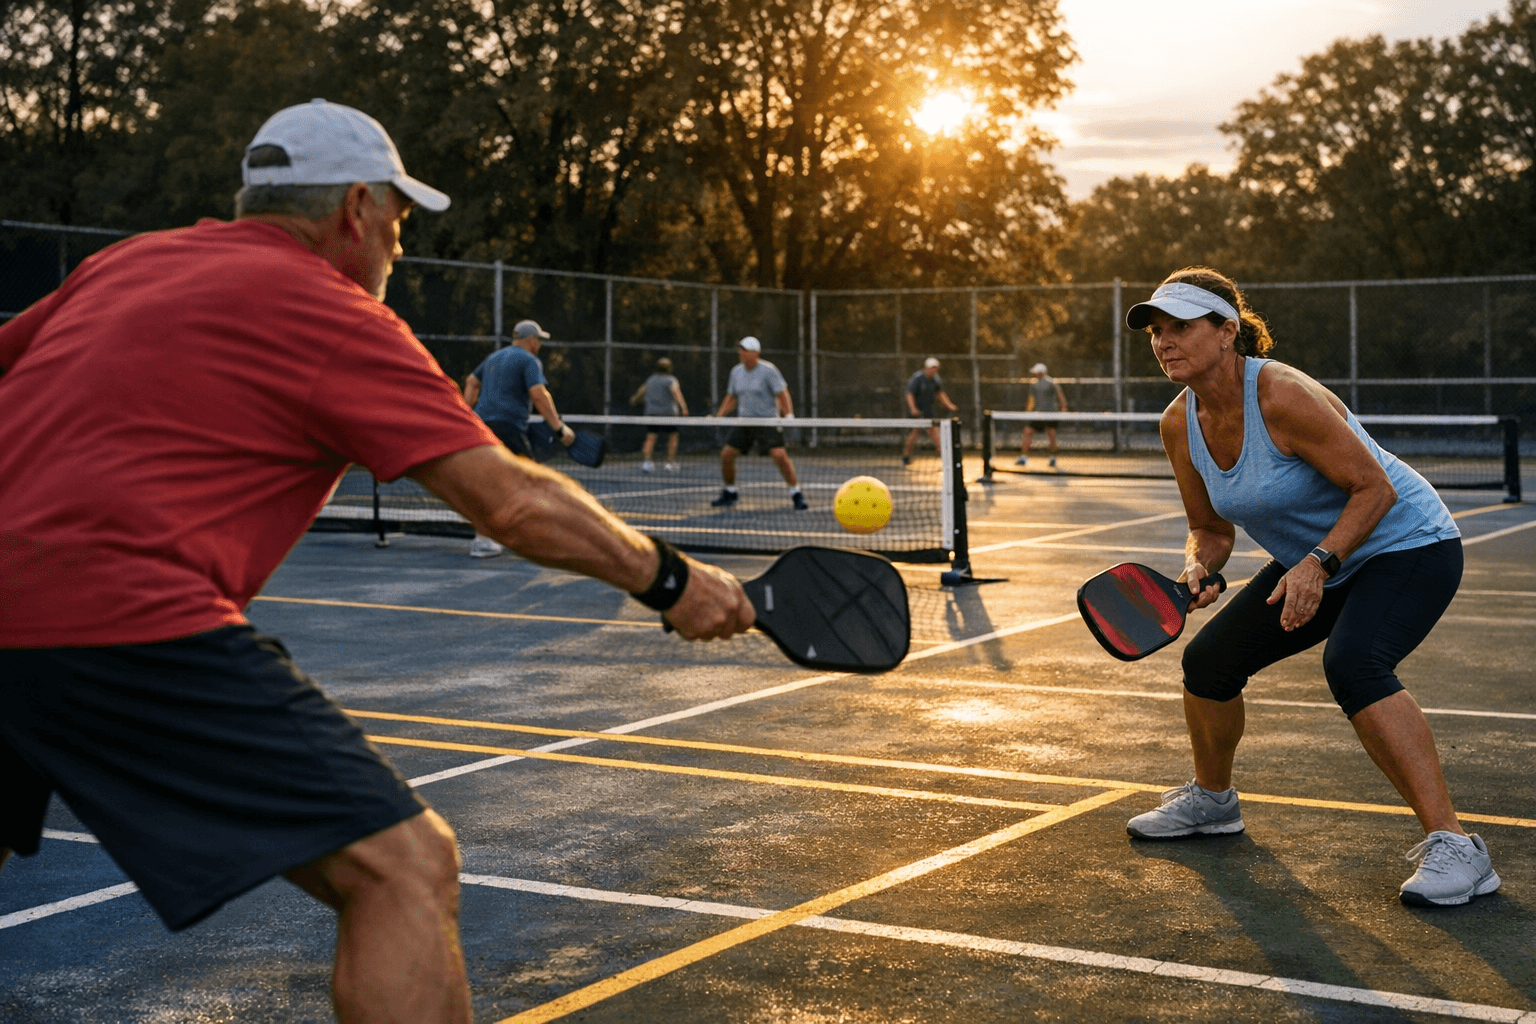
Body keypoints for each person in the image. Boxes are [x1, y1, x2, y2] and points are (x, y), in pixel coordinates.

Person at [0, 99, 755, 1024]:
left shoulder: (126, 264)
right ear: (356, 208)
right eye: (399, 221)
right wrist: (672, 580)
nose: (399, 246)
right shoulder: (332, 313)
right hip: (122, 618)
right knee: (404, 866)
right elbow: (509, 500)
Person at [1121, 266, 1497, 908]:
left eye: (1180, 326)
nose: (1163, 341)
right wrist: (1198, 567)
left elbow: (1373, 488)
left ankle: (1458, 848)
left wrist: (1318, 562)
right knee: (1208, 662)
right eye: (1156, 331)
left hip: (1408, 543)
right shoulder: (1178, 424)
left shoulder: (1281, 395)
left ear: (1226, 331)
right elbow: (1207, 528)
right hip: (1318, 559)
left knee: (1355, 662)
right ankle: (1213, 803)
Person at [462, 318, 574, 557]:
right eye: (539, 340)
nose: (540, 345)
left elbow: (472, 382)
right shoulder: (529, 360)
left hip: (481, 426)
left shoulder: (493, 358)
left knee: (488, 481)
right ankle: (536, 538)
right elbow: (538, 394)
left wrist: (467, 412)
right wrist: (559, 428)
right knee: (529, 480)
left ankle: (482, 539)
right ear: (532, 341)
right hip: (508, 427)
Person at [710, 336, 807, 510]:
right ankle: (730, 492)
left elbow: (782, 393)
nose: (742, 353)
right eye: (741, 349)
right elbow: (731, 397)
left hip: (767, 422)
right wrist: (719, 416)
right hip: (745, 422)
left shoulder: (769, 370)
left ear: (756, 353)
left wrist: (789, 414)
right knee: (726, 455)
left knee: (779, 456)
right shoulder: (736, 372)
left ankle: (796, 494)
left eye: (745, 350)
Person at [629, 356, 689, 472]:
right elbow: (676, 392)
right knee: (673, 436)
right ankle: (670, 463)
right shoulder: (671, 380)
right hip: (669, 414)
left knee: (651, 436)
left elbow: (641, 392)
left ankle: (647, 463)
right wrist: (684, 407)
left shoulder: (650, 380)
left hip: (652, 413)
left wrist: (634, 400)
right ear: (669, 369)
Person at [901, 357, 960, 466]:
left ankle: (946, 461)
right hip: (917, 412)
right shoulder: (917, 378)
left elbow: (940, 394)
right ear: (926, 368)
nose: (934, 370)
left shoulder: (935, 379)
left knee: (937, 436)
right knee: (914, 434)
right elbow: (909, 394)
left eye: (936, 368)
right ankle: (906, 456)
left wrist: (949, 405)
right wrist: (913, 409)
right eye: (932, 368)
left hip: (929, 412)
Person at [1015, 362, 1067, 468]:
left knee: (1051, 433)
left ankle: (1052, 458)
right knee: (1028, 431)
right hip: (1038, 414)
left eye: (1036, 372)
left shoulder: (1051, 383)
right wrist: (1028, 411)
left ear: (1041, 373)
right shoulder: (1033, 384)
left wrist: (1063, 408)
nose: (1034, 374)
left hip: (1051, 413)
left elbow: (1060, 395)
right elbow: (1031, 399)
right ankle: (1024, 457)